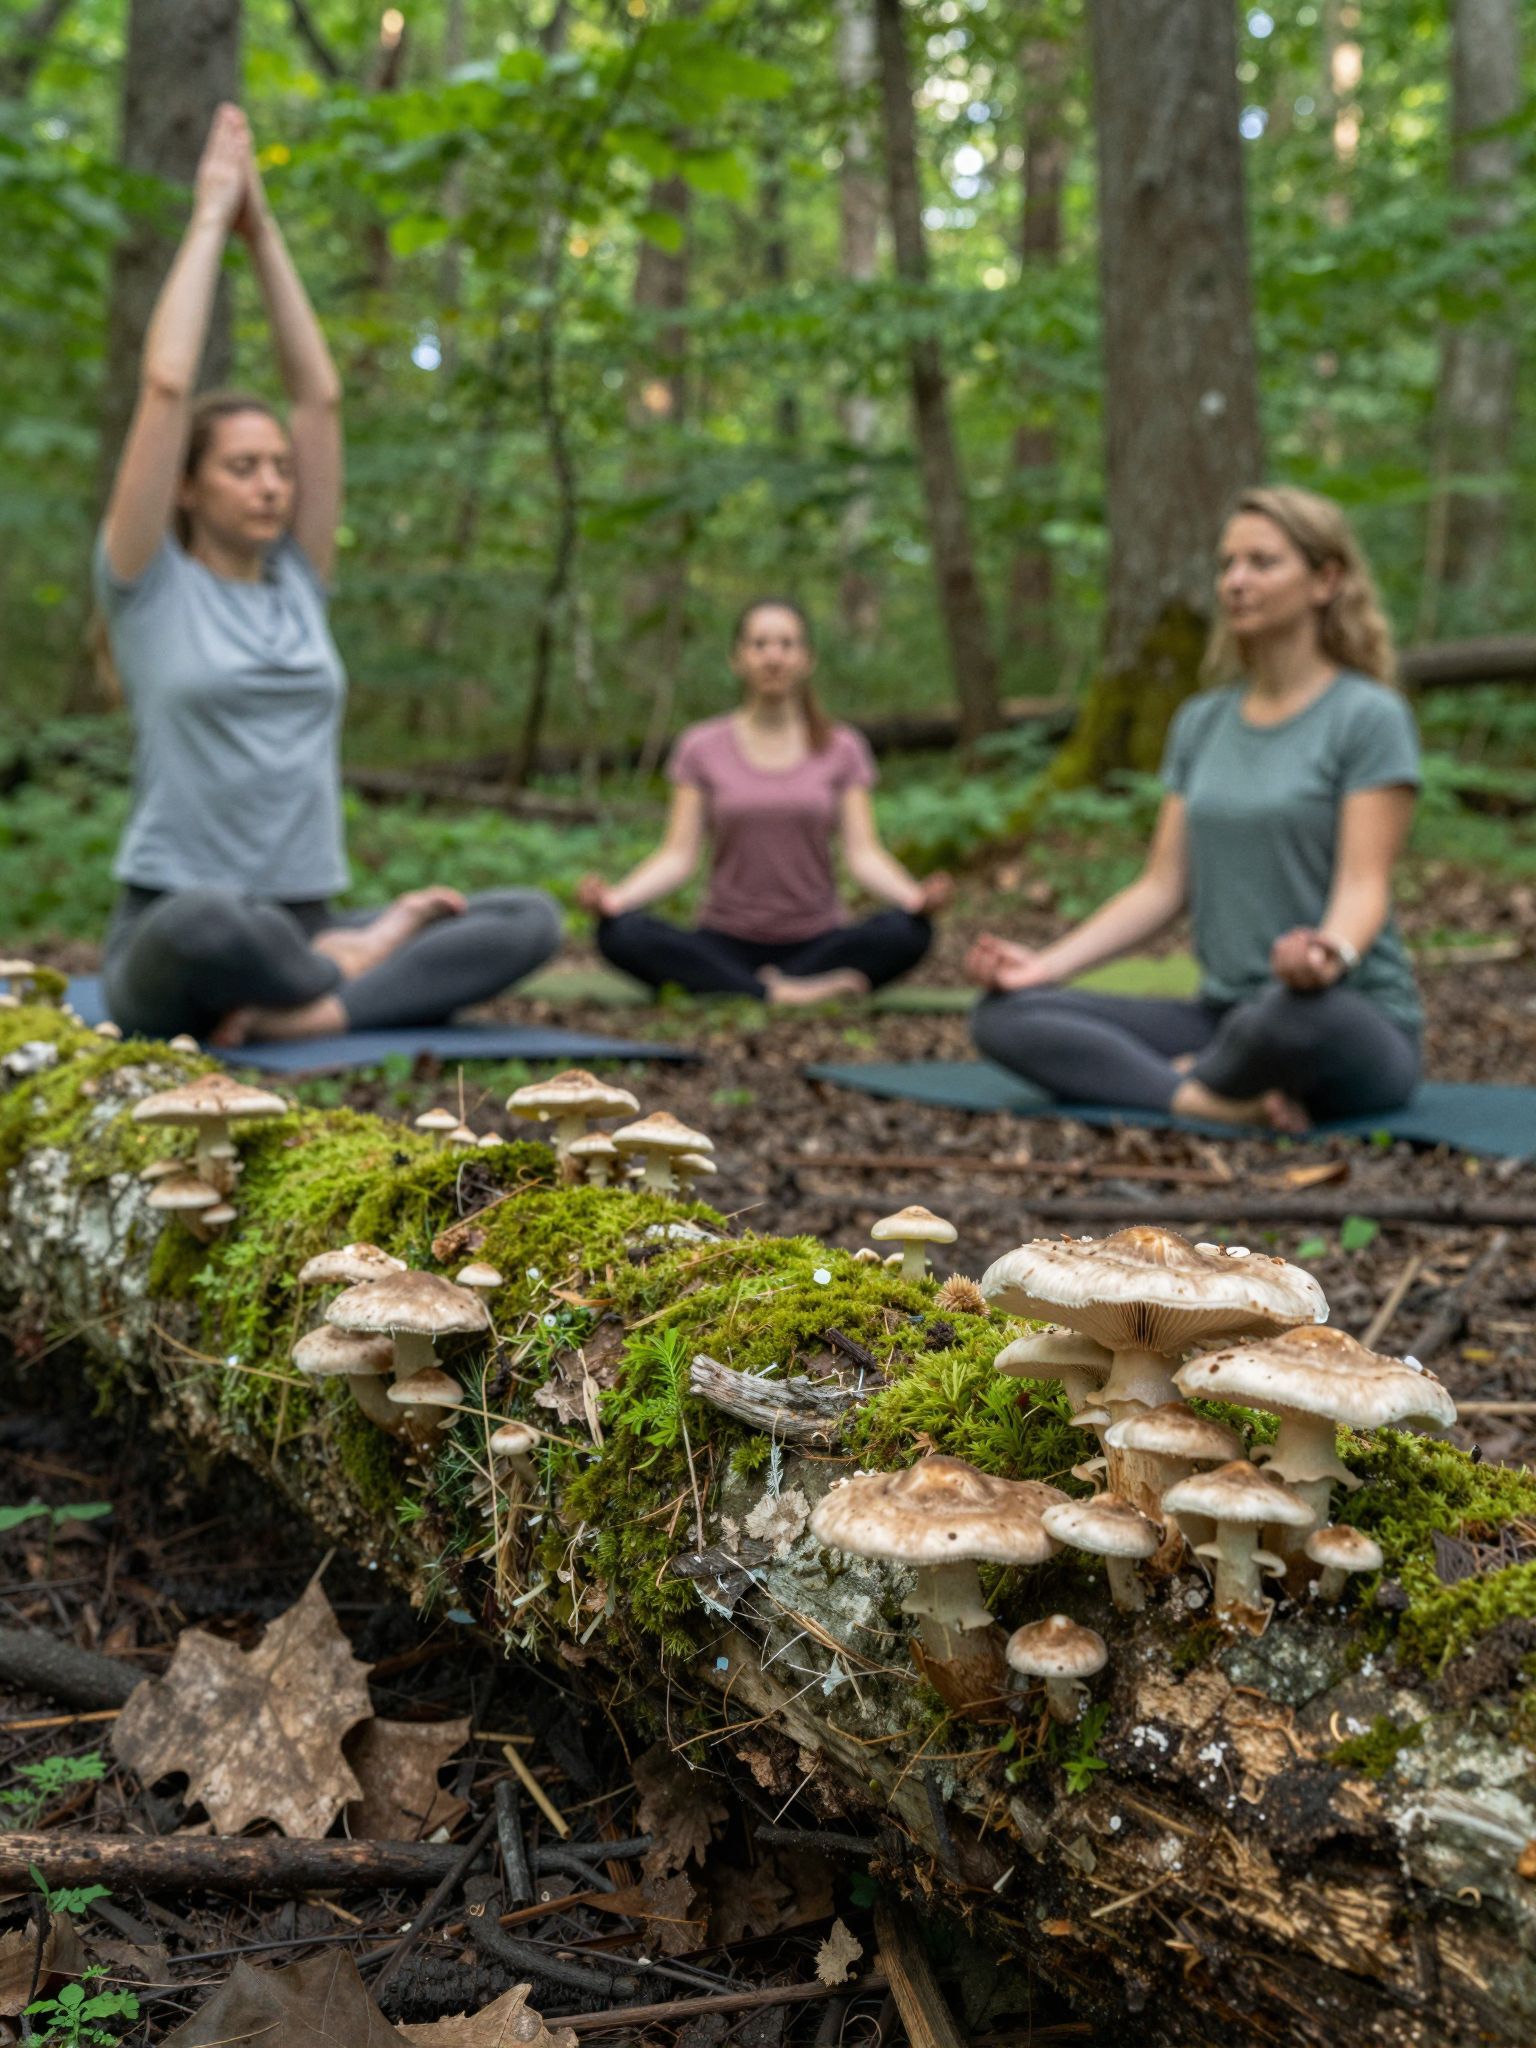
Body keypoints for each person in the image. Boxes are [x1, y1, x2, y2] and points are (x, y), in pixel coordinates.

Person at [95, 104, 561, 1045]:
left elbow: (321, 396)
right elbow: (166, 388)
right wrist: (210, 218)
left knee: (531, 920)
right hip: (177, 926)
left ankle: (310, 1007)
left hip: (309, 919)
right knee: (211, 920)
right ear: (185, 488)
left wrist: (264, 235)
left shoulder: (299, 581)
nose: (271, 485)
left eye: (279, 469)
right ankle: (345, 976)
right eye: (241, 468)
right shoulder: (147, 586)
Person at [967, 486, 1423, 1130]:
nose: (1235, 581)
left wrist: (1329, 955)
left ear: (1326, 580)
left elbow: (1363, 882)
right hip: (1224, 1014)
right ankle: (1206, 1098)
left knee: (1283, 1018)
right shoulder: (1202, 721)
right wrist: (1044, 966)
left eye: (1262, 563)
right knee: (1004, 1015)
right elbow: (1161, 886)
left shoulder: (1369, 717)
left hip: (1342, 1013)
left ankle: (1196, 1073)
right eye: (1227, 564)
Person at [582, 600, 949, 1003]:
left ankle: (745, 988)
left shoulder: (843, 748)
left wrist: (914, 897)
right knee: (619, 933)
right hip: (723, 942)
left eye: (787, 644)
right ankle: (780, 992)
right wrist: (617, 899)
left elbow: (863, 854)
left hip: (818, 943)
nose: (773, 657)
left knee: (911, 931)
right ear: (737, 658)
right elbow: (677, 856)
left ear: (807, 659)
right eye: (759, 644)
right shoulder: (701, 746)